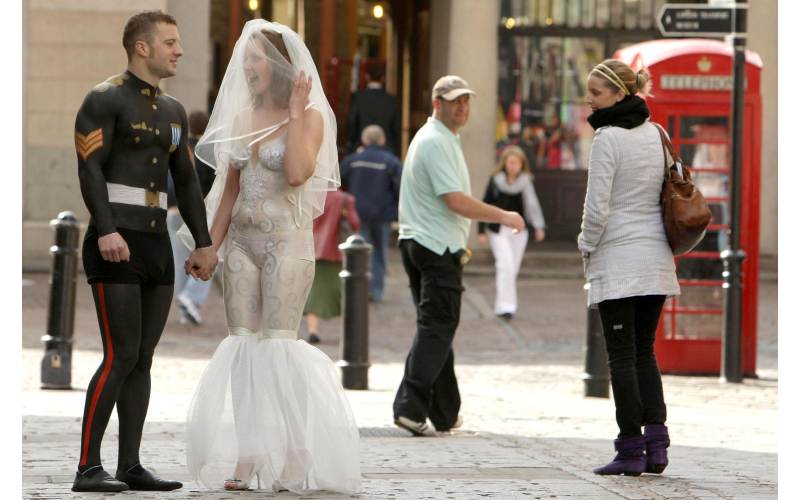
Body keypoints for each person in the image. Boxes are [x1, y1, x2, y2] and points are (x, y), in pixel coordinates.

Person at [182, 20, 361, 494]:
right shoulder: (241, 119)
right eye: (246, 56)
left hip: (288, 244)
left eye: (257, 56)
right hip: (240, 243)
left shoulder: (312, 117)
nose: (247, 64)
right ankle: (249, 453)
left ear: (280, 66)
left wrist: (299, 112)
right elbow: (227, 194)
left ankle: (298, 453)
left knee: (279, 344)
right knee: (243, 346)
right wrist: (210, 248)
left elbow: (300, 173)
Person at [71, 10, 218, 492]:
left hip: (156, 241)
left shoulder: (174, 111)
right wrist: (106, 228)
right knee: (120, 353)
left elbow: (188, 182)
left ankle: (130, 464)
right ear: (142, 47)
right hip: (116, 240)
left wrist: (203, 243)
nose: (178, 50)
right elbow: (90, 169)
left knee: (144, 357)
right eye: (170, 42)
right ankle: (88, 467)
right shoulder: (104, 98)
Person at [393, 75, 525, 436]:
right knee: (437, 325)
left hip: (427, 243)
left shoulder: (441, 138)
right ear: (436, 104)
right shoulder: (435, 141)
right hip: (435, 247)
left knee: (439, 327)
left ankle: (446, 413)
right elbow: (455, 201)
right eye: (454, 101)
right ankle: (409, 406)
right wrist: (503, 215)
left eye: (466, 100)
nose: (462, 107)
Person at [579, 59, 680, 476]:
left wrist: (585, 247)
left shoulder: (607, 138)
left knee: (620, 357)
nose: (589, 99)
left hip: (618, 260)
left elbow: (595, 207)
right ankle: (656, 447)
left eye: (596, 93)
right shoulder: (657, 133)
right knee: (644, 352)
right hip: (656, 259)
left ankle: (629, 452)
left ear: (619, 94)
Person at [477, 146, 546, 320]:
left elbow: (532, 205)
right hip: (498, 230)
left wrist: (538, 226)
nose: (514, 166)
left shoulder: (525, 182)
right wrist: (481, 230)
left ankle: (502, 303)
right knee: (505, 265)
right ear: (505, 163)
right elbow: (484, 204)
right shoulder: (496, 180)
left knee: (511, 269)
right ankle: (506, 307)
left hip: (518, 232)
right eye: (511, 162)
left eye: (518, 163)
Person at [340, 124, 402, 302]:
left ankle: (360, 289)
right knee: (380, 253)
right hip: (383, 215)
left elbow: (339, 177)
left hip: (359, 213)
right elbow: (401, 187)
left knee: (360, 251)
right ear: (383, 141)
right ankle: (375, 292)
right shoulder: (391, 161)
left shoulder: (354, 160)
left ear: (364, 141)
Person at [167, 110, 216, 325]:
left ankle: (184, 304)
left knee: (180, 261)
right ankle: (191, 298)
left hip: (173, 211)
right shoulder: (208, 151)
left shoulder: (178, 147)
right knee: (210, 256)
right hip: (198, 212)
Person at [303, 188, 361, 343]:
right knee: (342, 292)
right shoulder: (345, 199)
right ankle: (346, 332)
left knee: (313, 291)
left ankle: (312, 330)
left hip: (312, 249)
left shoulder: (309, 196)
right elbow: (354, 223)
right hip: (336, 252)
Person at [346, 64, 401, 156]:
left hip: (361, 147)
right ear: (383, 78)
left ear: (367, 76)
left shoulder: (358, 97)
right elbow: (396, 127)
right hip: (386, 148)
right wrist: (395, 148)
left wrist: (351, 143)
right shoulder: (391, 99)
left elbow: (351, 121)